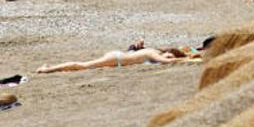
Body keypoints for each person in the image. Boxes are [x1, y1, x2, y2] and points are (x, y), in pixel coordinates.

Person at [36, 47, 190, 74]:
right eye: (171, 55)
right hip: (116, 58)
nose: (170, 57)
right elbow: (166, 62)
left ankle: (50, 67)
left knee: (83, 65)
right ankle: (47, 69)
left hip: (117, 58)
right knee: (82, 66)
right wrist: (187, 61)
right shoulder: (153, 52)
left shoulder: (153, 52)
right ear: (169, 51)